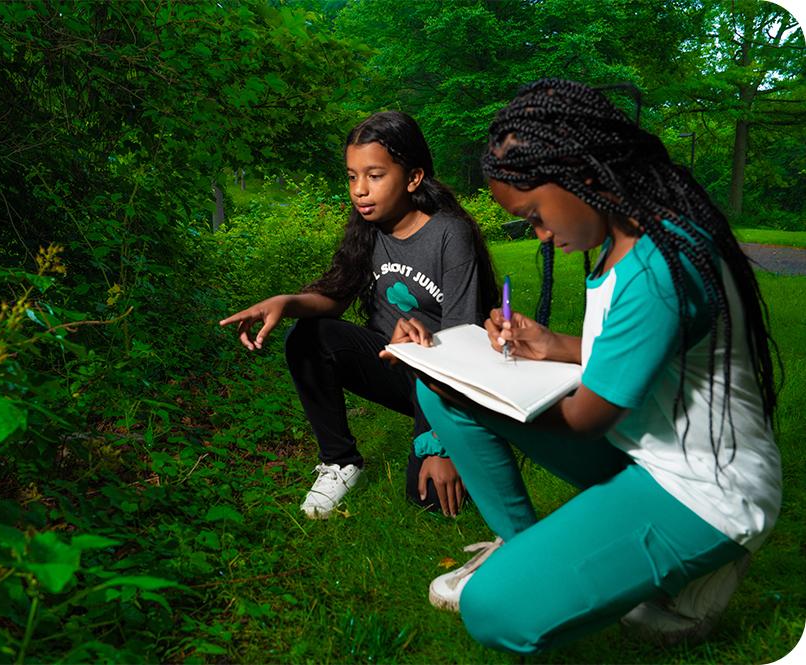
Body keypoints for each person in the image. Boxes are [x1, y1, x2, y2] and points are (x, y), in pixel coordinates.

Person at [397, 79, 781, 652]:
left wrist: (480, 386)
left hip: (706, 490)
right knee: (439, 394)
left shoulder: (660, 265)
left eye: (535, 215)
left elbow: (584, 419)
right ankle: (529, 547)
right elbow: (645, 346)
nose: (542, 236)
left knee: (493, 609)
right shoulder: (626, 234)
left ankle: (701, 565)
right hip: (644, 449)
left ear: (584, 173)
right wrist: (552, 343)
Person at [220, 111, 498, 519]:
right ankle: (340, 462)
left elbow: (463, 344)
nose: (360, 190)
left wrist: (441, 444)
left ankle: (474, 435)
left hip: (446, 378)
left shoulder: (449, 234)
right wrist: (285, 301)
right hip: (395, 366)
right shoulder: (367, 229)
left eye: (374, 175)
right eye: (352, 177)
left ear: (413, 176)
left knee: (431, 504)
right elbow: (333, 298)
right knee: (308, 335)